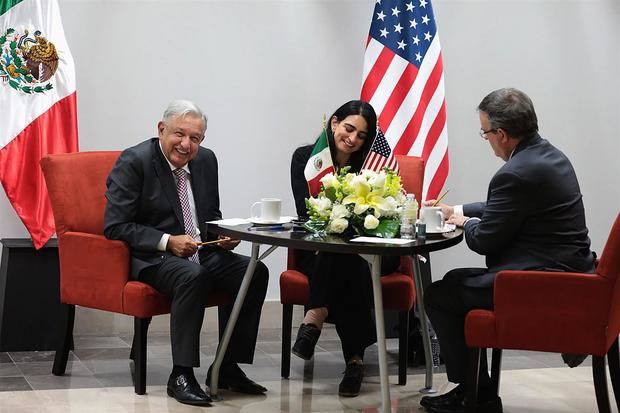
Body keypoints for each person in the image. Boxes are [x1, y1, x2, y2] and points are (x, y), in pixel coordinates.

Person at [419, 88, 595, 413]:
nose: (486, 140)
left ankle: (473, 395)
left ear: (501, 134)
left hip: (542, 283)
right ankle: (478, 391)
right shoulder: (549, 156)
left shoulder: (514, 173)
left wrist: (463, 222)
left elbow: (483, 240)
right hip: (573, 275)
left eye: (484, 133)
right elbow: (503, 207)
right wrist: (454, 209)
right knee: (455, 284)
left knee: (441, 294)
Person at [104, 100, 269, 406]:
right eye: (179, 134)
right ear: (161, 129)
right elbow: (116, 226)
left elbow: (210, 214)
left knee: (254, 271)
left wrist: (221, 236)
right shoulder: (135, 161)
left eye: (195, 138)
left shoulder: (206, 161)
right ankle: (181, 375)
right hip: (154, 256)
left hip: (200, 250)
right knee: (194, 276)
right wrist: (168, 241)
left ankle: (227, 367)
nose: (186, 144)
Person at [290, 100, 400, 397]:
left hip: (370, 251)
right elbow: (306, 212)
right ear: (335, 122)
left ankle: (314, 317)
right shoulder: (307, 158)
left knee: (346, 258)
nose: (352, 139)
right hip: (319, 250)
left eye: (362, 136)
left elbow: (384, 214)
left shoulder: (371, 166)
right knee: (343, 260)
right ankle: (355, 362)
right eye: (349, 129)